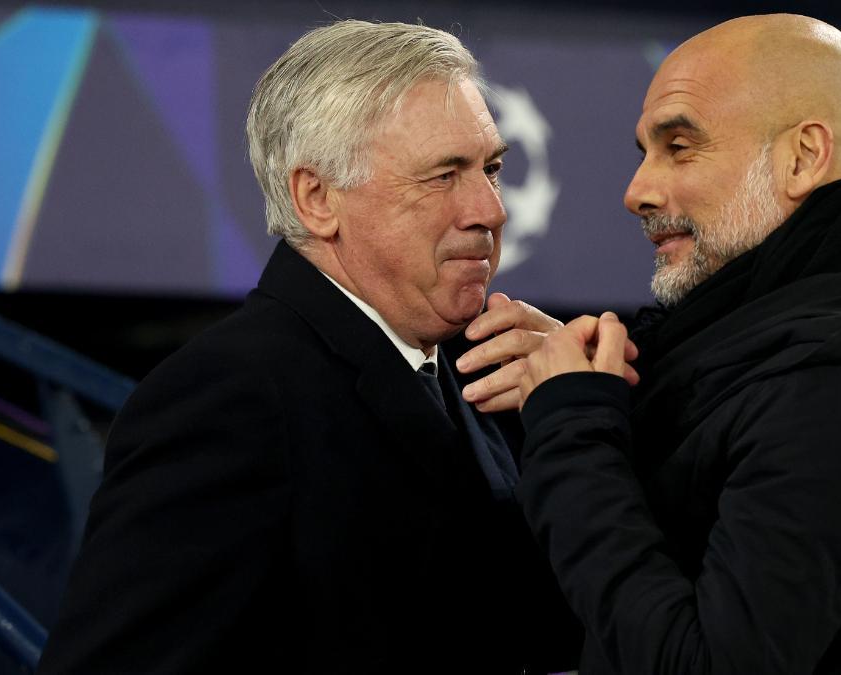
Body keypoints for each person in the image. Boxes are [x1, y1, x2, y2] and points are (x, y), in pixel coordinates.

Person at [37, 20, 578, 674]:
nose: (490, 209)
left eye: (491, 168)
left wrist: (582, 422)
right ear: (317, 199)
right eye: (444, 176)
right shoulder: (228, 398)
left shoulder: (482, 374)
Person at [512, 14, 841, 674]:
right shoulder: (778, 344)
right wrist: (581, 388)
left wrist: (574, 435)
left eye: (679, 146)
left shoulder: (838, 393)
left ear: (802, 158)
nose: (636, 191)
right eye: (644, 151)